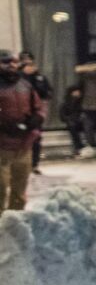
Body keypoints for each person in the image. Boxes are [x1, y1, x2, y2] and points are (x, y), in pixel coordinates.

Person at [0, 50, 45, 212]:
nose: (12, 65)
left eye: (14, 62)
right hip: (2, 146)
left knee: (20, 186)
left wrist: (36, 119)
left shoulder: (25, 84)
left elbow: (38, 107)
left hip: (24, 144)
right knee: (1, 186)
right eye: (6, 62)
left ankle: (15, 220)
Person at [18, 52, 52, 174]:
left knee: (36, 138)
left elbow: (47, 93)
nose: (28, 64)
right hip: (20, 112)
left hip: (35, 113)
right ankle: (22, 165)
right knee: (20, 140)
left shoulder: (40, 78)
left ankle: (34, 164)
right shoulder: (16, 78)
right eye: (24, 61)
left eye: (30, 62)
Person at [59, 85, 85, 157]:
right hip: (72, 123)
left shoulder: (84, 102)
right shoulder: (66, 103)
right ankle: (78, 147)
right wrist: (70, 119)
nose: (77, 93)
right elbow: (62, 115)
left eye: (78, 91)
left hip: (82, 122)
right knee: (72, 127)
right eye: (75, 92)